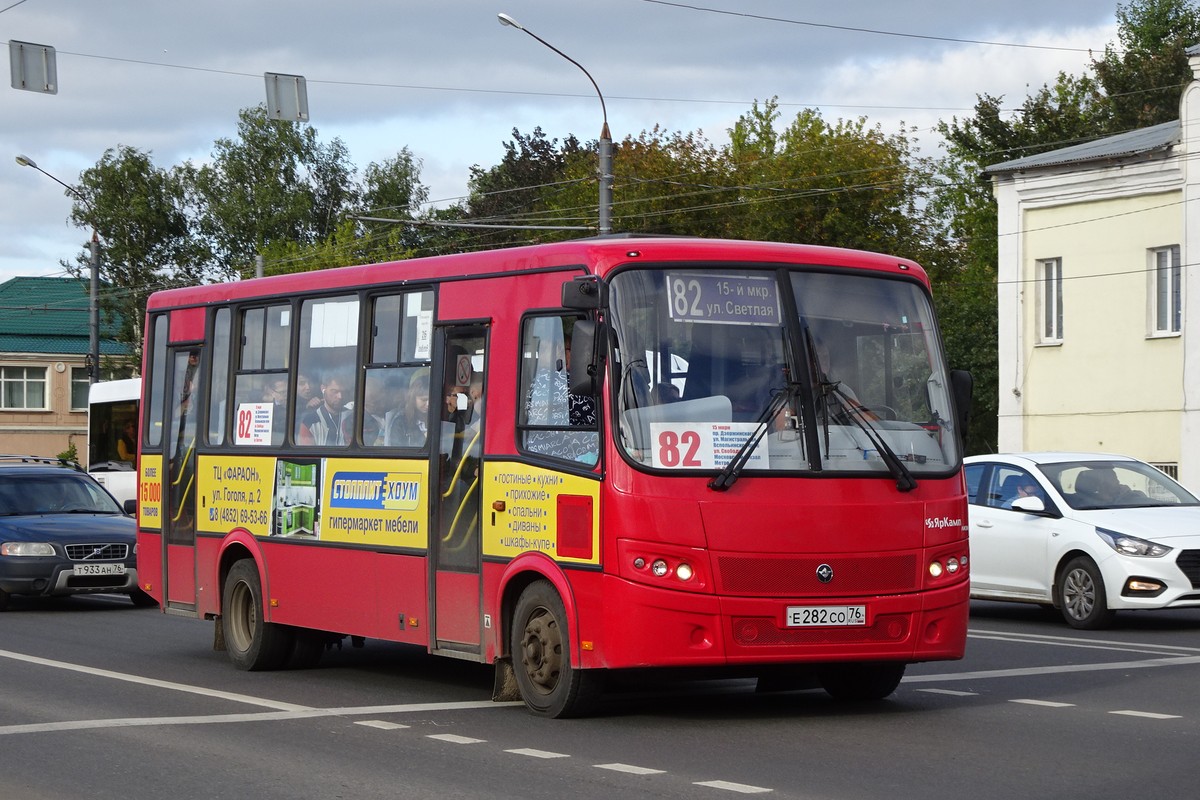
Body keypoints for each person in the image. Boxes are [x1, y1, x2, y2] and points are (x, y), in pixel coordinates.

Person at [299, 373, 352, 446]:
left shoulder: (353, 417)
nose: (340, 396)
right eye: (334, 391)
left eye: (343, 392)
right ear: (323, 389)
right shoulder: (310, 421)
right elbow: (306, 454)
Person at [387, 370, 430, 447]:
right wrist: (424, 439)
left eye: (432, 400)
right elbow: (397, 452)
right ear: (413, 398)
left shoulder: (440, 420)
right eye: (424, 400)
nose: (428, 404)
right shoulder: (401, 423)